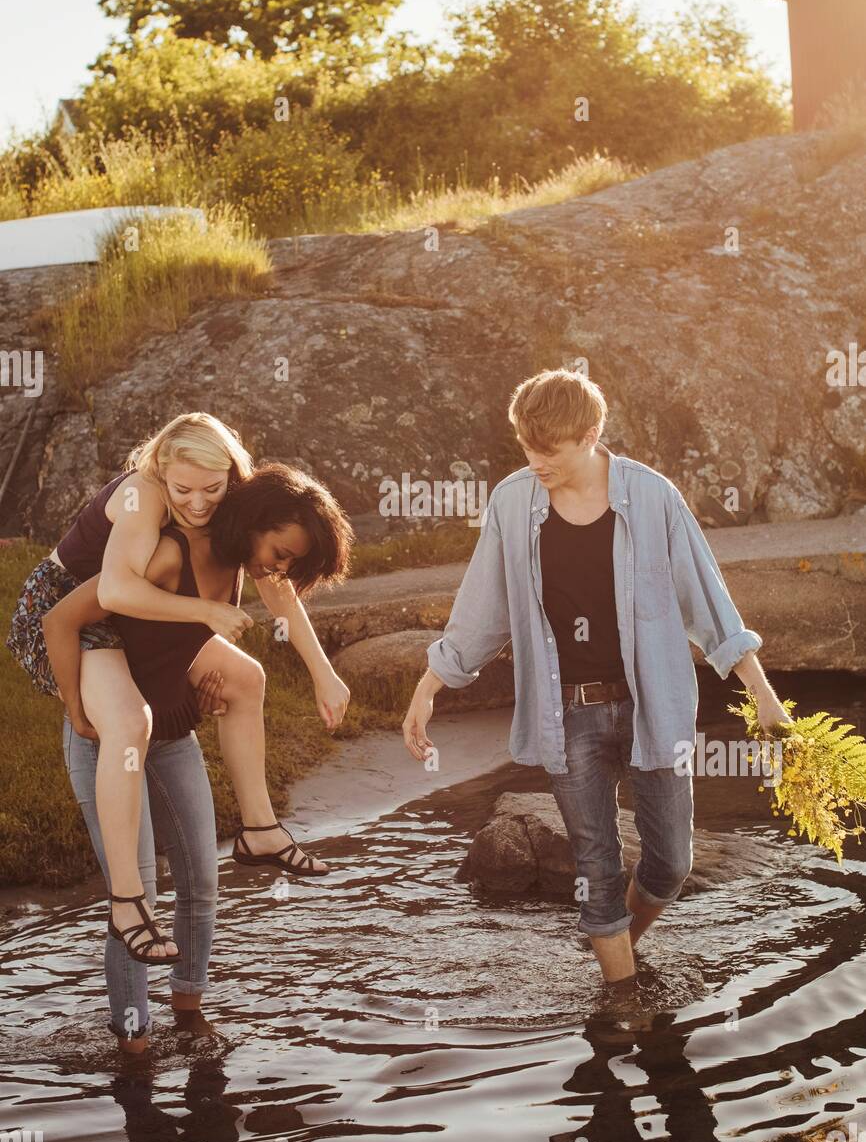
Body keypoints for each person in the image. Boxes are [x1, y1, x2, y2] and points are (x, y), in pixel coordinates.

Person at [402, 367, 790, 989]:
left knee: (670, 863)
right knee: (597, 865)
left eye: (547, 450)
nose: (535, 462)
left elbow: (707, 599)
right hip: (567, 713)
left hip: (653, 706)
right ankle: (622, 1001)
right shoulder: (512, 501)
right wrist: (428, 687)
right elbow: (481, 609)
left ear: (590, 434)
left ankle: (615, 958)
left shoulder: (653, 496)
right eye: (525, 447)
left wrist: (762, 693)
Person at [6, 411, 352, 961]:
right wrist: (206, 613)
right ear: (161, 470)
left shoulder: (239, 505)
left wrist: (323, 673)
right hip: (69, 608)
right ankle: (126, 901)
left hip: (133, 609)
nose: (197, 502)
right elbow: (114, 592)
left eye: (212, 489)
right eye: (183, 489)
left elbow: (277, 587)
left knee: (245, 677)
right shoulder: (145, 494)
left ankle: (259, 828)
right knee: (129, 722)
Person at [52, 458, 354, 1054]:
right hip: (112, 744)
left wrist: (325, 675)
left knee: (201, 880)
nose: (280, 569)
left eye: (291, 563)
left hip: (173, 733)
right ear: (257, 522)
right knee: (137, 894)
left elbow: (281, 604)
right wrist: (75, 709)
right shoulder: (167, 551)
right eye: (281, 551)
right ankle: (134, 1045)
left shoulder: (243, 559)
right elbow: (66, 617)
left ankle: (189, 1014)